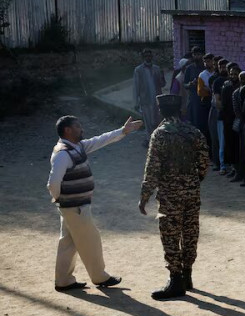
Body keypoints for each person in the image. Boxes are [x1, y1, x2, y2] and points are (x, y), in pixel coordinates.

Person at [47, 115, 143, 291]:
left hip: (72, 207)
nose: (81, 129)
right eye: (77, 126)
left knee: (68, 243)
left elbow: (100, 140)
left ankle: (63, 280)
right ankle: (99, 277)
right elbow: (53, 182)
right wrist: (61, 199)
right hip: (75, 207)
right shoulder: (63, 154)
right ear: (68, 130)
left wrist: (122, 131)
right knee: (91, 240)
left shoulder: (76, 147)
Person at [139, 95, 209, 300]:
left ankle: (175, 279)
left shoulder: (159, 135)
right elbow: (204, 161)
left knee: (170, 235)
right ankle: (187, 275)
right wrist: (193, 181)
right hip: (191, 192)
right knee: (190, 232)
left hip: (170, 194)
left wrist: (145, 196)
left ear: (161, 111)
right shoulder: (193, 132)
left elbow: (152, 168)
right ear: (180, 110)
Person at [133, 49, 166, 144]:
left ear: (152, 57)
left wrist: (162, 75)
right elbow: (136, 87)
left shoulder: (157, 68)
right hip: (145, 100)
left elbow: (162, 84)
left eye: (149, 56)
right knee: (148, 122)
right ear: (143, 57)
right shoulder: (138, 70)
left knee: (157, 120)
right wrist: (136, 102)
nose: (148, 57)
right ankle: (150, 140)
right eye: (146, 56)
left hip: (156, 99)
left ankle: (157, 139)